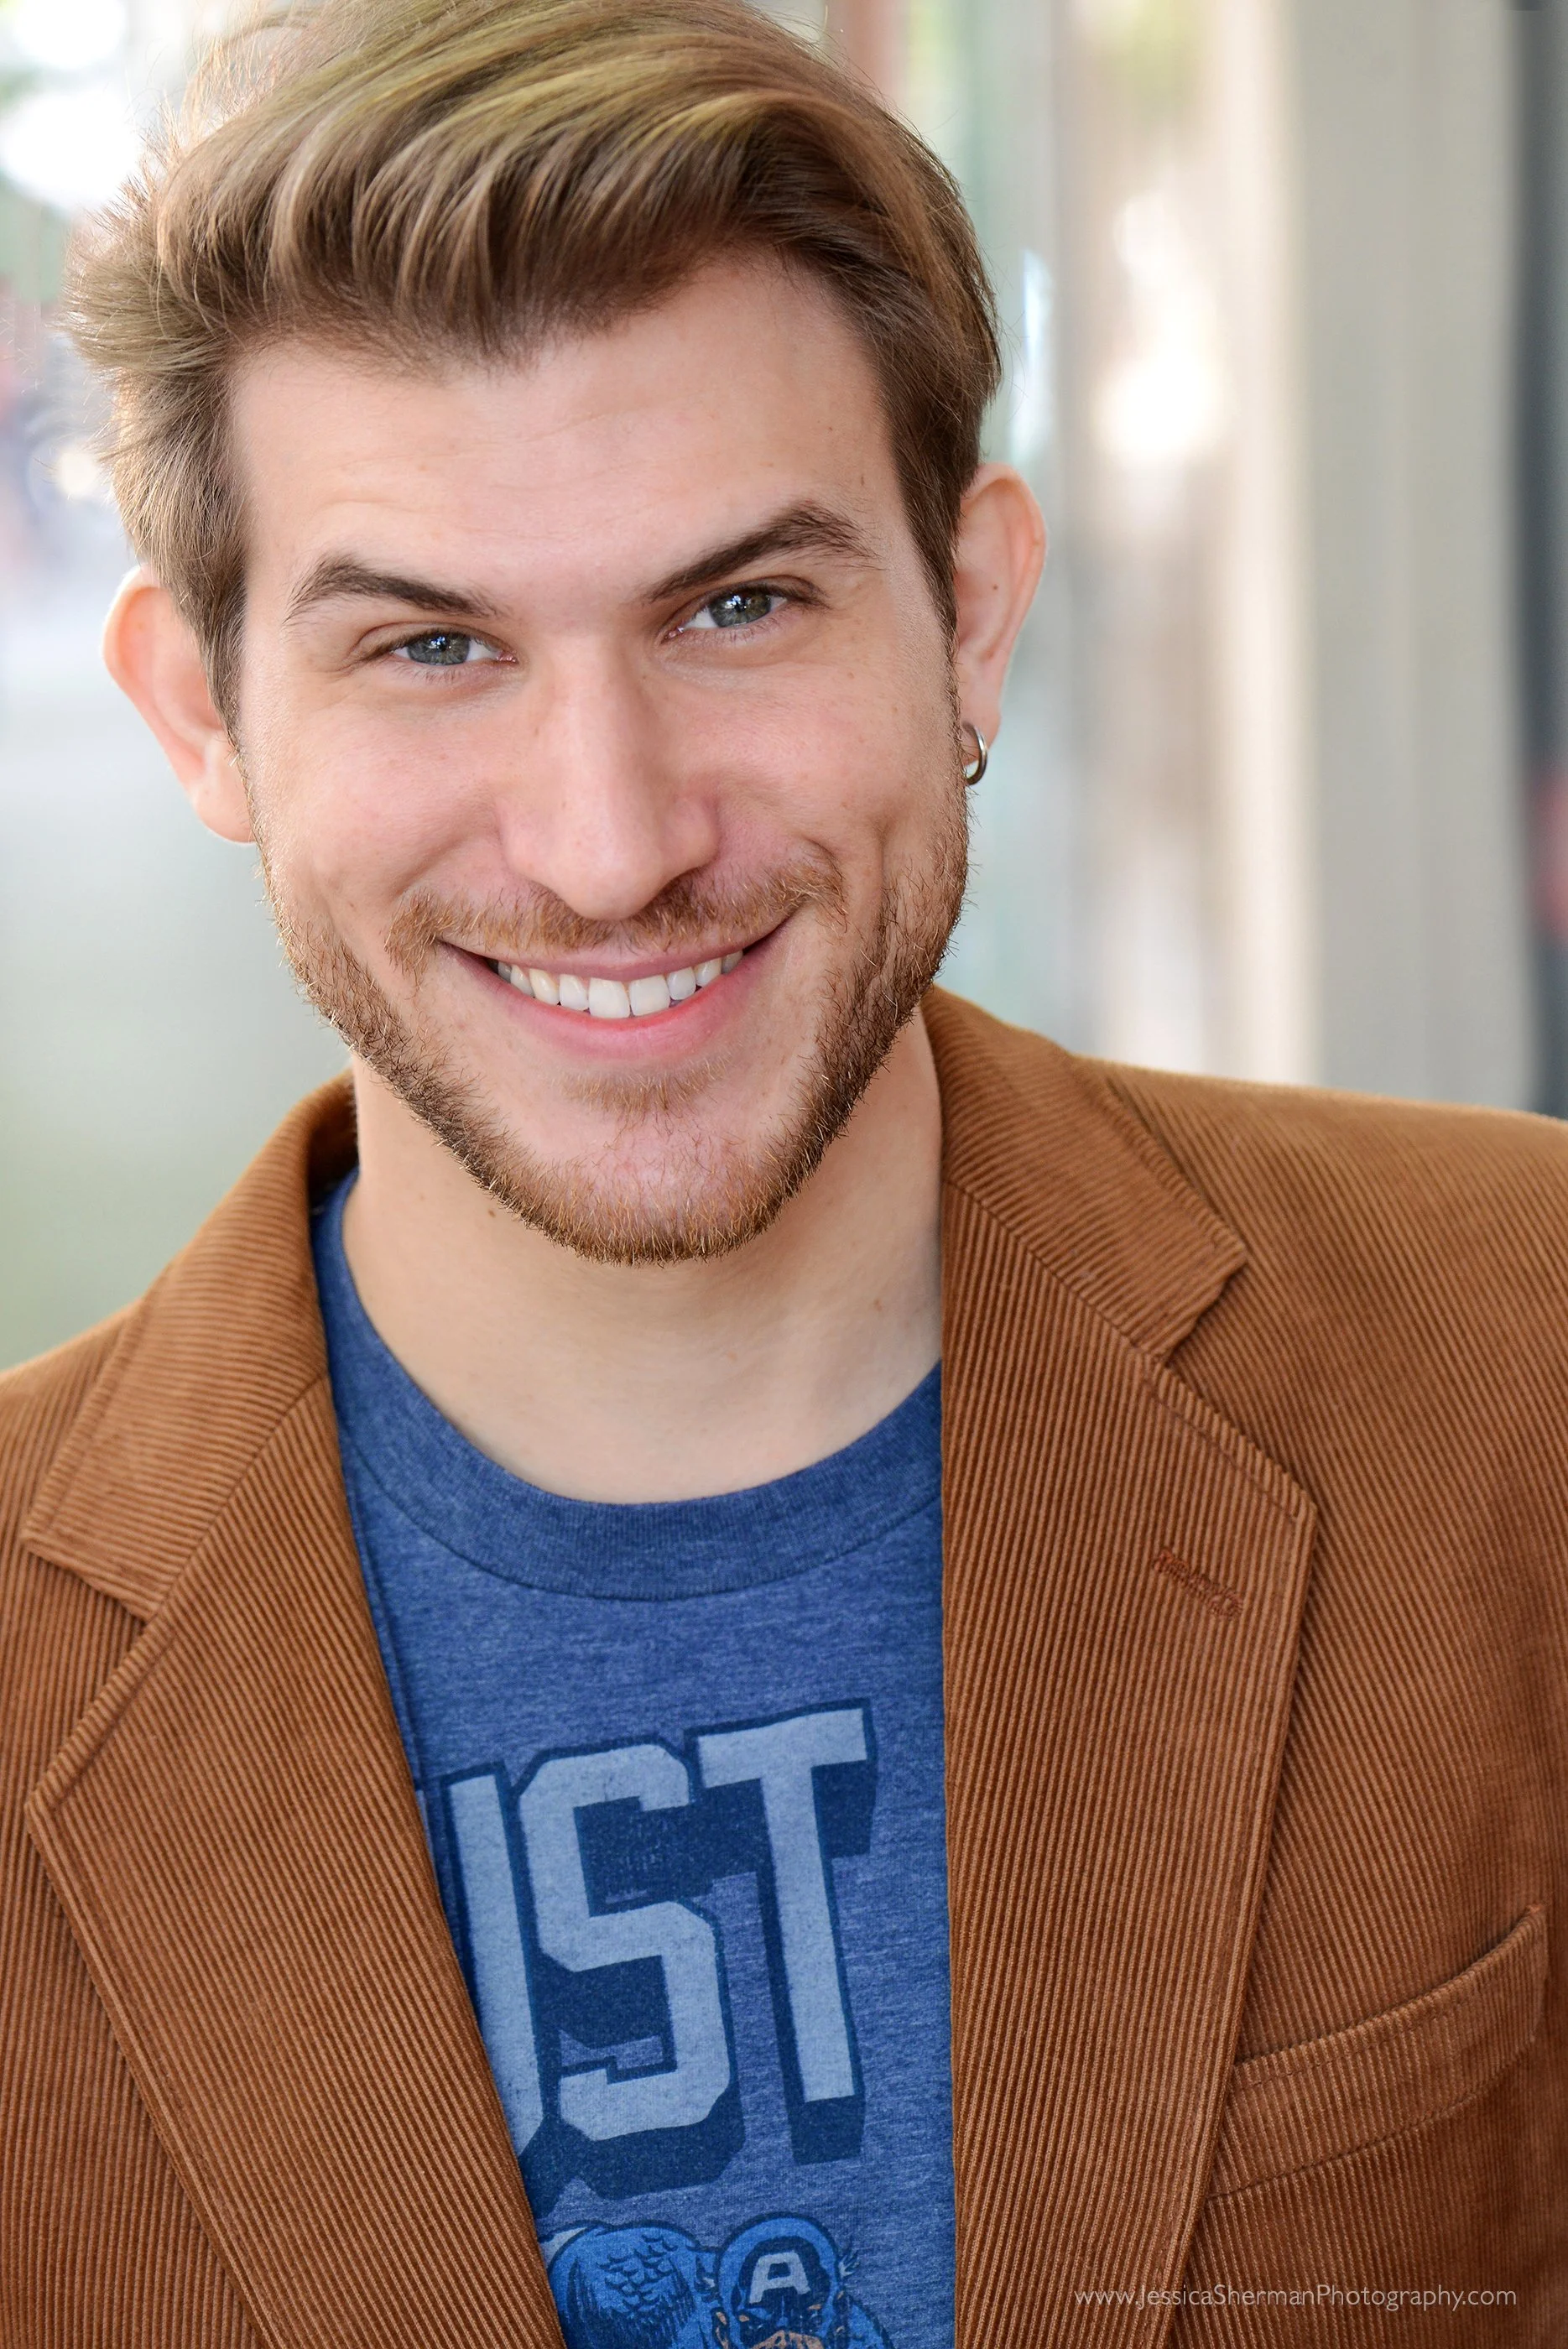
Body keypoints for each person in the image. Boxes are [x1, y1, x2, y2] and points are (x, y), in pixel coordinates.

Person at [0, 0, 1561, 2340]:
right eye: (430, 648)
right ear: (205, 717)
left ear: (972, 613)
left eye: (739, 606)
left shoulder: (1519, 1350)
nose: (613, 844)